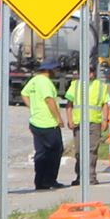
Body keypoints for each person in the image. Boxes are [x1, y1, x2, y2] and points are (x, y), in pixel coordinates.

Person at [21, 58, 67, 190]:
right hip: (48, 124)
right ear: (48, 70)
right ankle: (50, 180)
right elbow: (49, 100)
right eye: (55, 69)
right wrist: (58, 118)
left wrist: (32, 108)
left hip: (35, 122)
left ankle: (39, 181)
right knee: (55, 152)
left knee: (40, 153)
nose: (56, 71)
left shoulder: (34, 80)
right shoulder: (45, 82)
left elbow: (24, 93)